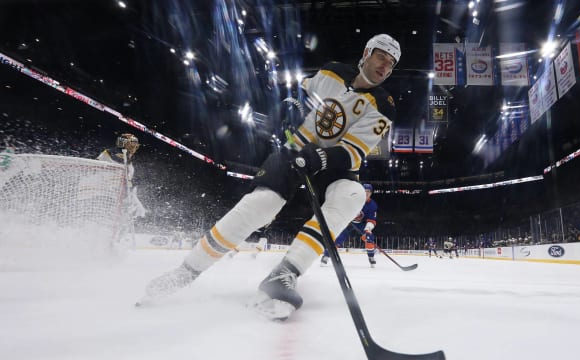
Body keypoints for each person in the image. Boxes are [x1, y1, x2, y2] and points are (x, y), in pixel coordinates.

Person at [138, 34, 400, 320]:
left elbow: (352, 151)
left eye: (391, 63)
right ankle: (186, 271)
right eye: (381, 57)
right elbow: (299, 96)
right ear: (366, 53)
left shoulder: (383, 105)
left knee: (353, 195)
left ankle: (285, 273)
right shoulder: (331, 71)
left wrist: (318, 157)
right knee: (262, 204)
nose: (385, 66)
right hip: (295, 148)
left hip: (334, 167)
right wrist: (289, 106)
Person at [320, 183, 378, 268]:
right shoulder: (353, 200)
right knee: (338, 238)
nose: (366, 193)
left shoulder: (372, 205)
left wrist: (368, 229)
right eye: (364, 191)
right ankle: (326, 256)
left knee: (369, 237)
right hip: (348, 222)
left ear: (371, 193)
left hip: (362, 224)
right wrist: (345, 217)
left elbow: (371, 220)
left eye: (368, 191)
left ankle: (371, 257)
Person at [97, 133, 146, 218]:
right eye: (132, 144)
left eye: (135, 145)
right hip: (105, 192)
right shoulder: (112, 153)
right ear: (124, 143)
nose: (134, 147)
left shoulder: (128, 160)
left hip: (115, 194)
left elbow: (129, 183)